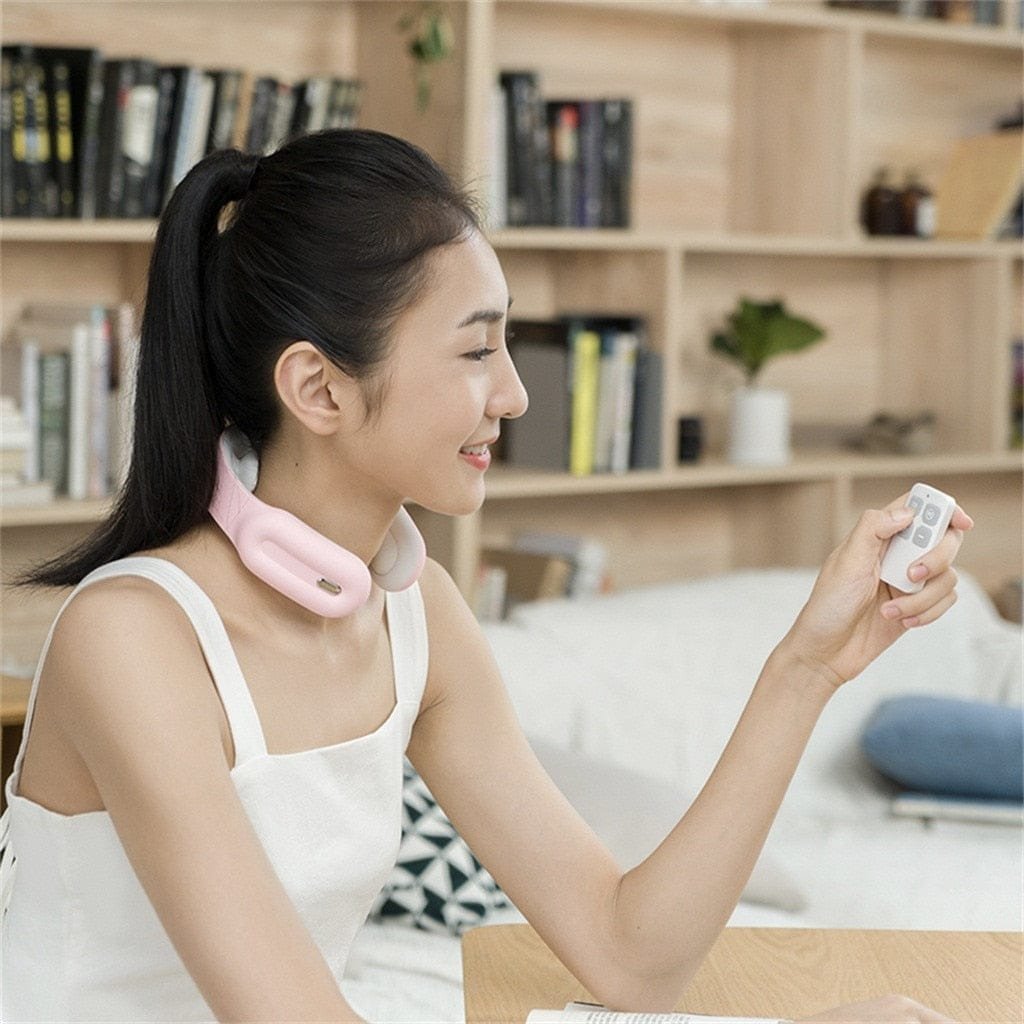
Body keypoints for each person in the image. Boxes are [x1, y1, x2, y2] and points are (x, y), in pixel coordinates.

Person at [1, 129, 972, 1023]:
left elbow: (630, 954)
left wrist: (804, 667)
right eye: (475, 349)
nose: (511, 393)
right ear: (318, 387)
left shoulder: (414, 613)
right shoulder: (134, 638)